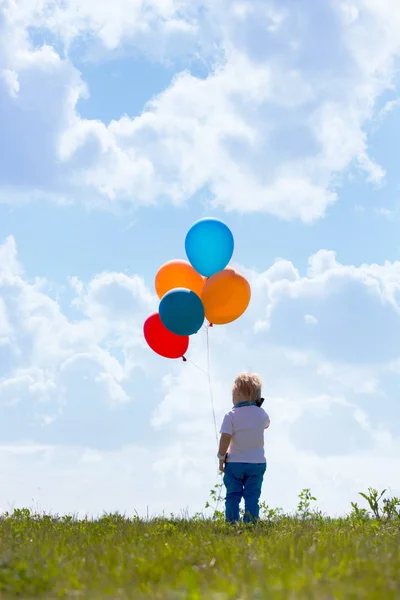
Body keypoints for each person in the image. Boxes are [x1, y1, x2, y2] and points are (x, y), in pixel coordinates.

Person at [217, 372, 270, 524]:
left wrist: (221, 457)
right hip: (257, 463)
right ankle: (250, 524)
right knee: (252, 496)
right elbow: (267, 424)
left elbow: (225, 438)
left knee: (233, 495)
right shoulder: (261, 414)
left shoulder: (231, 415)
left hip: (235, 463)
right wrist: (257, 408)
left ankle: (232, 524)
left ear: (238, 392)